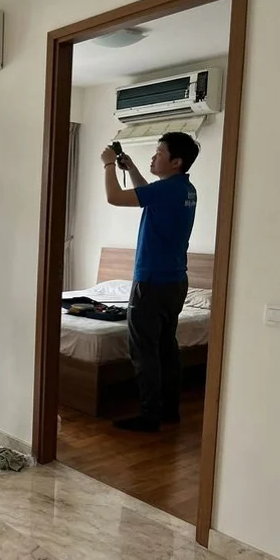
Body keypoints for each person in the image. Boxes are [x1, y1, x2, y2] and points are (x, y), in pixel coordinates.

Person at [100, 132, 200, 432]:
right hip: (175, 282)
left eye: (159, 152)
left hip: (152, 282)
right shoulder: (184, 189)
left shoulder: (168, 190)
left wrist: (108, 165)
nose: (154, 157)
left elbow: (114, 197)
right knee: (166, 347)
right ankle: (169, 410)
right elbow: (148, 196)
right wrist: (129, 167)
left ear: (176, 161)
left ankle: (149, 415)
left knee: (144, 349)